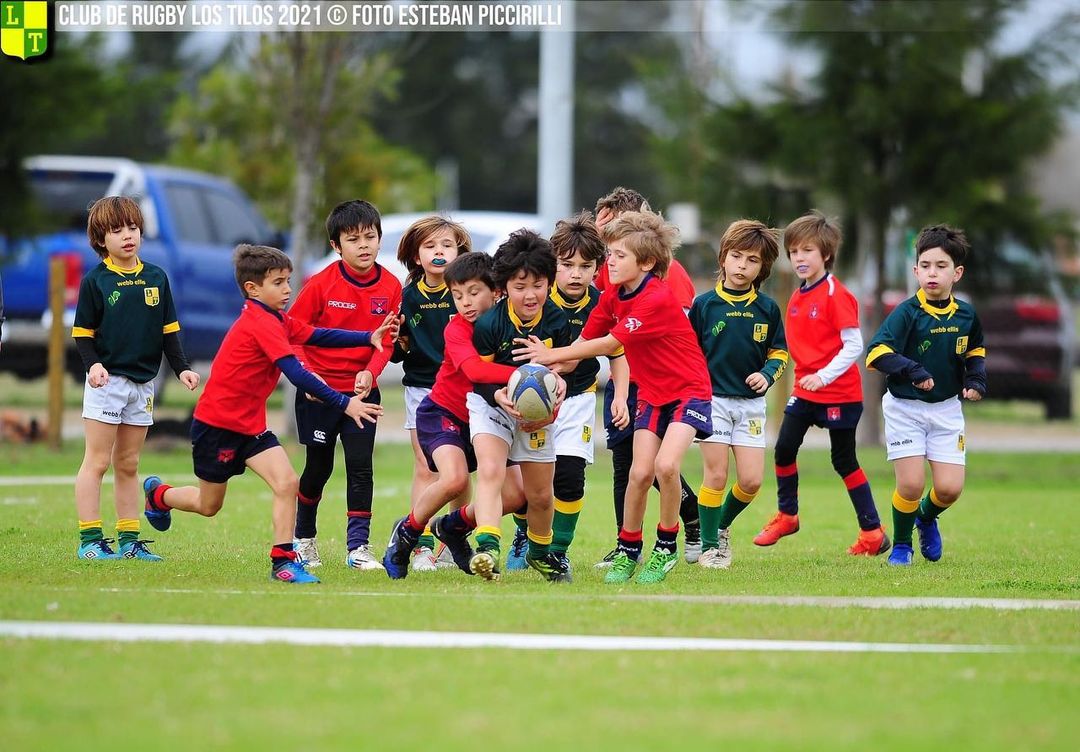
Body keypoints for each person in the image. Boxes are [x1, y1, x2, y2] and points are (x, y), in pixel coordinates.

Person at [142, 244, 391, 584]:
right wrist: (344, 403)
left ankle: (283, 563)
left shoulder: (277, 317)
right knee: (208, 505)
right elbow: (297, 373)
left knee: (287, 482)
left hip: (251, 428)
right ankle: (159, 495)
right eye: (278, 282)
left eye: (288, 281)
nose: (288, 289)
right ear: (253, 289)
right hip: (218, 428)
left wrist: (367, 336)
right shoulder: (259, 323)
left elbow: (316, 334)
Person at [516, 211, 711, 585]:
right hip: (652, 395)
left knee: (666, 467)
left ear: (647, 262)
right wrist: (547, 373)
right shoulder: (610, 297)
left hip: (689, 392)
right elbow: (581, 346)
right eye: (611, 254)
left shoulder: (656, 298)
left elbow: (611, 343)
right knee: (639, 473)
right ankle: (628, 550)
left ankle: (665, 548)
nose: (611, 261)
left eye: (620, 255)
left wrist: (550, 355)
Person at [71, 196, 200, 562]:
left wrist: (183, 368)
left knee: (128, 463)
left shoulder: (156, 277)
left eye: (132, 228)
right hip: (107, 383)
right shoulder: (95, 282)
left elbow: (169, 333)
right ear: (101, 239)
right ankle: (90, 540)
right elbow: (82, 333)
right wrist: (92, 365)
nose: (128, 236)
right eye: (117, 230)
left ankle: (129, 541)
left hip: (143, 384)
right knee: (97, 462)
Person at [754, 211, 890, 556]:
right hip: (805, 390)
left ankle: (872, 533)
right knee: (784, 448)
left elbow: (854, 345)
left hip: (839, 394)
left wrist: (824, 376)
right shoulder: (798, 296)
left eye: (808, 251)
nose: (799, 258)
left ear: (826, 255)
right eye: (795, 251)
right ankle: (788, 515)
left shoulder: (836, 294)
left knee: (843, 460)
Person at [382, 252, 524, 579]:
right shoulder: (457, 329)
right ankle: (405, 533)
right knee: (455, 479)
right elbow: (474, 369)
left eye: (474, 293)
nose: (465, 303)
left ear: (497, 291)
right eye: (457, 296)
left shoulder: (508, 323)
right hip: (444, 413)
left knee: (517, 495)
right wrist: (523, 372)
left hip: (489, 418)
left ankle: (452, 526)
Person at [504, 212, 629, 577]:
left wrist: (619, 396)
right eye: (567, 264)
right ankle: (523, 536)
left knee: (570, 477)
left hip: (578, 401)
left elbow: (618, 353)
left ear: (597, 268)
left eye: (585, 266)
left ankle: (556, 551)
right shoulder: (536, 299)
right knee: (532, 483)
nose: (576, 273)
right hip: (533, 404)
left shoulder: (603, 304)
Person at [289, 200, 403, 571]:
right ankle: (303, 540)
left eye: (370, 237)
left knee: (361, 467)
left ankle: (358, 547)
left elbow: (386, 341)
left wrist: (371, 371)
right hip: (319, 395)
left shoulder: (390, 285)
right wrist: (308, 376)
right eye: (353, 239)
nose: (364, 245)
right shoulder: (320, 284)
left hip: (362, 396)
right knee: (318, 469)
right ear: (337, 246)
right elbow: (291, 336)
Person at [592, 187, 702, 568]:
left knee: (661, 467)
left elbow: (665, 334)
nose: (601, 238)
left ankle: (688, 523)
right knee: (630, 466)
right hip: (627, 377)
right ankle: (626, 547)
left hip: (665, 384)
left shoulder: (670, 278)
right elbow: (602, 333)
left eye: (608, 228)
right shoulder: (609, 272)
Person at [866, 224, 986, 566]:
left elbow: (975, 349)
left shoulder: (966, 315)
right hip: (905, 408)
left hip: (947, 410)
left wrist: (976, 379)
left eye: (941, 266)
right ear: (916, 269)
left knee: (949, 489)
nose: (932, 273)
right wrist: (912, 370)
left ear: (957, 273)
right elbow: (876, 354)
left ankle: (926, 517)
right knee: (911, 484)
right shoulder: (907, 313)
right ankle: (902, 545)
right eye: (926, 266)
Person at [461, 229, 571, 582]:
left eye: (538, 285)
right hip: (491, 405)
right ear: (504, 287)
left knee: (539, 495)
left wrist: (560, 379)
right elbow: (479, 375)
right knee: (491, 471)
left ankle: (540, 554)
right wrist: (499, 394)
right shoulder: (491, 324)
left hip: (537, 417)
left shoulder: (557, 320)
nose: (530, 294)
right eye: (520, 286)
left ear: (549, 284)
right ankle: (488, 546)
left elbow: (571, 363)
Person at [689, 220, 788, 569]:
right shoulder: (703, 306)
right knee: (715, 475)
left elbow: (779, 353)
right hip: (712, 400)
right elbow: (687, 352)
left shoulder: (768, 309)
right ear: (723, 258)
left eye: (752, 260)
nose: (742, 266)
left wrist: (766, 375)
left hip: (751, 406)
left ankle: (720, 523)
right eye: (736, 257)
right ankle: (710, 547)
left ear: (763, 267)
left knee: (750, 481)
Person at [391, 215, 472, 571]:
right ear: (416, 256)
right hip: (423, 389)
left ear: (459, 252)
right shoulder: (405, 298)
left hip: (465, 389)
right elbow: (396, 350)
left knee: (463, 470)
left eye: (447, 245)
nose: (439, 252)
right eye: (430, 246)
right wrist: (394, 340)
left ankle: (458, 542)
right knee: (427, 466)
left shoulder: (468, 294)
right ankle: (420, 545)